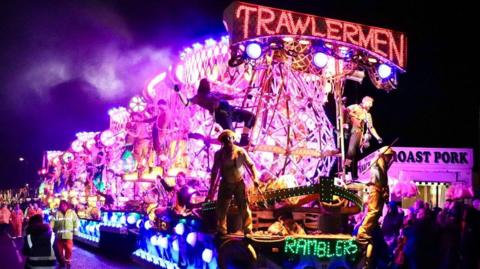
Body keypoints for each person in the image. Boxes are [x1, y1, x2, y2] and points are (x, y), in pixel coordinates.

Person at [174, 78, 256, 146]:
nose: (208, 85)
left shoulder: (214, 93)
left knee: (250, 116)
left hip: (230, 110)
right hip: (221, 115)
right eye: (206, 83)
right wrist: (179, 92)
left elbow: (231, 96)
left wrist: (245, 96)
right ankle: (235, 148)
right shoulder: (199, 97)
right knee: (232, 135)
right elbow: (187, 103)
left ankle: (244, 139)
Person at [208, 129, 259, 235]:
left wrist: (256, 178)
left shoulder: (240, 151)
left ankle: (248, 229)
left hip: (239, 183)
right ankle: (222, 229)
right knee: (222, 208)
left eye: (229, 138)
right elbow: (214, 171)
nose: (227, 141)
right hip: (226, 184)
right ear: (222, 142)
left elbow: (251, 165)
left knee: (244, 207)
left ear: (233, 139)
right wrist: (211, 189)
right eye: (225, 140)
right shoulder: (219, 154)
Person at [357, 146, 396, 243]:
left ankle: (370, 229)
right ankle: (363, 231)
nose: (390, 158)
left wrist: (392, 161)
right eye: (389, 156)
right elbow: (381, 173)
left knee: (378, 212)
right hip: (376, 189)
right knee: (374, 211)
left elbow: (384, 170)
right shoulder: (377, 161)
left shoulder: (381, 163)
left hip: (379, 190)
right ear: (384, 155)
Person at [345, 96, 382, 179]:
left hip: (358, 133)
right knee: (351, 152)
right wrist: (357, 117)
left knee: (354, 154)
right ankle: (345, 168)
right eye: (370, 103)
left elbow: (371, 127)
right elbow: (346, 111)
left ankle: (353, 174)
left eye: (371, 104)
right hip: (350, 130)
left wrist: (378, 137)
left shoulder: (368, 115)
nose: (371, 106)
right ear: (365, 102)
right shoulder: (355, 107)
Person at [50, 200, 79, 269]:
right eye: (62, 205)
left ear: (67, 205)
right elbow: (52, 221)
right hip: (59, 236)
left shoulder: (72, 213)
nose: (63, 206)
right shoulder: (57, 213)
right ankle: (62, 262)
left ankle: (68, 263)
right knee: (59, 251)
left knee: (69, 250)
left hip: (68, 236)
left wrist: (75, 233)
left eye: (64, 205)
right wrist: (51, 228)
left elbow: (76, 223)